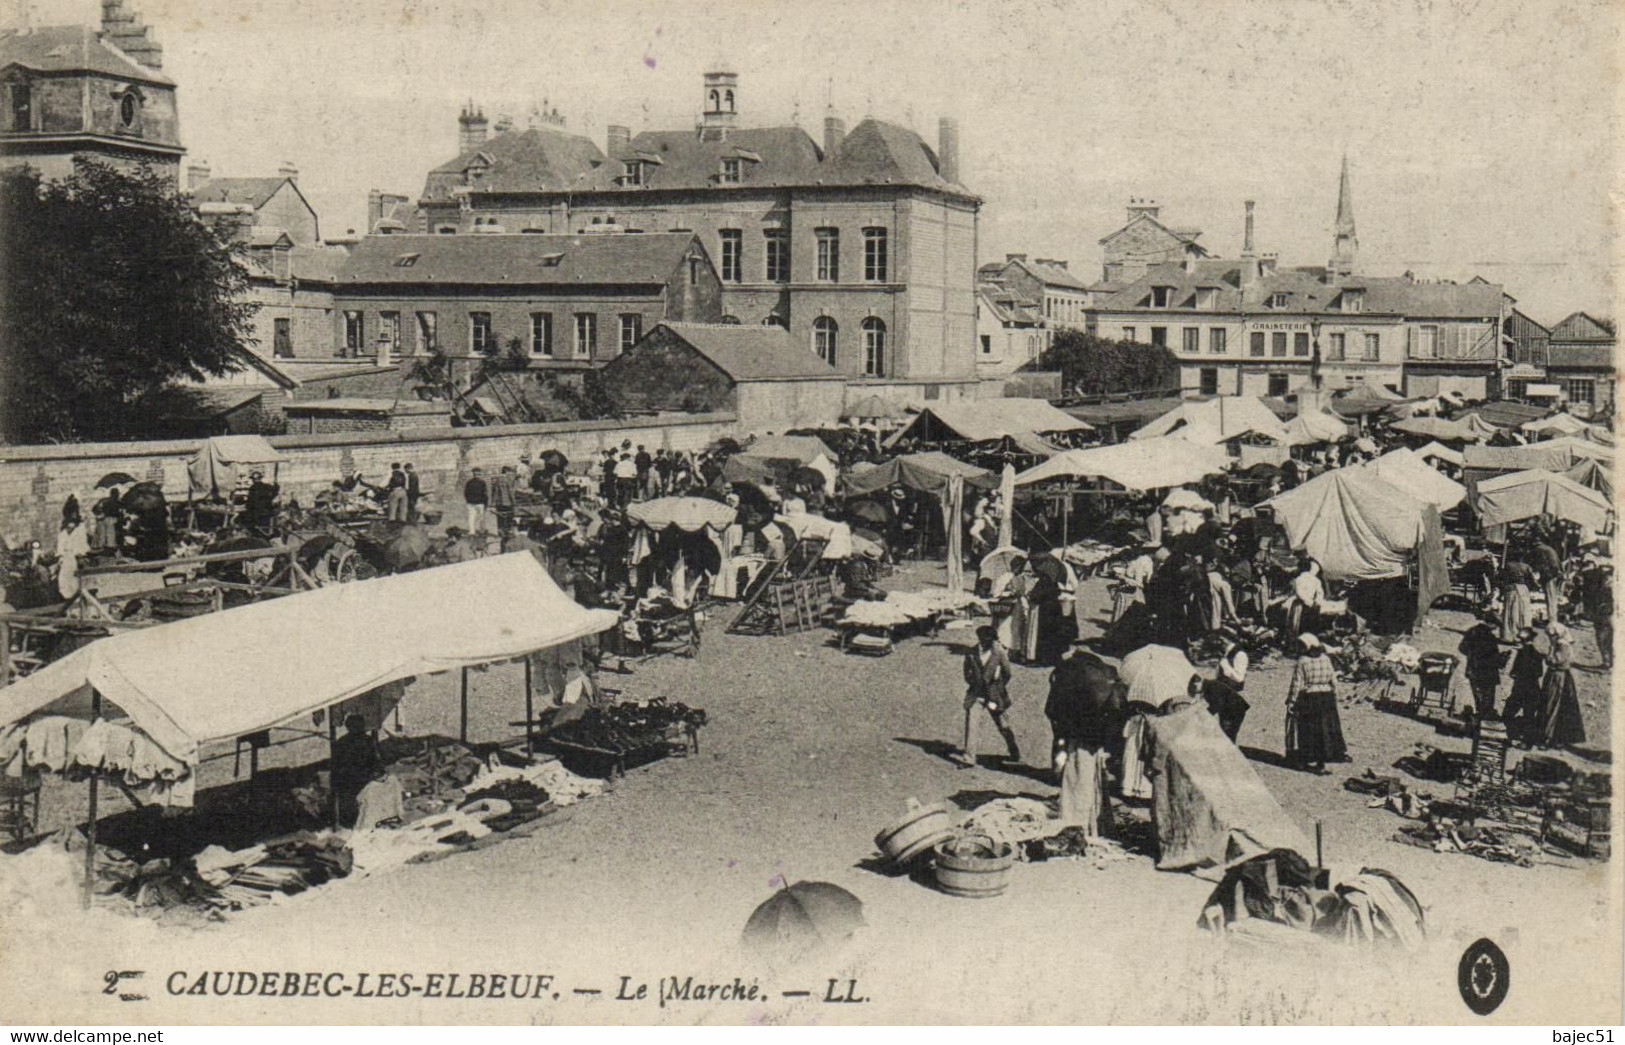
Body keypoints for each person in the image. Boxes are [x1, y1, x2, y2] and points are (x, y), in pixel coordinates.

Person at [1045, 642, 1126, 836]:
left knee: (1076, 778)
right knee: (1094, 778)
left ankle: (1075, 823)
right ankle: (1096, 822)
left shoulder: (1068, 671)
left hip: (1076, 734)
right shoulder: (1104, 671)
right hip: (1096, 734)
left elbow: (1053, 708)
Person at [955, 626, 1019, 768]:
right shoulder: (971, 653)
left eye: (990, 640)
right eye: (985, 640)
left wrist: (997, 687)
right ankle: (969, 758)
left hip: (994, 695)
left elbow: (1007, 673)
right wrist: (974, 683)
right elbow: (967, 673)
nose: (987, 642)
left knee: (1002, 724)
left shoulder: (999, 652)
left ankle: (1013, 749)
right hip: (976, 694)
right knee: (972, 725)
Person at [1284, 634, 1346, 773]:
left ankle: (1305, 759)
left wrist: (1292, 702)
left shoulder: (1303, 661)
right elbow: (1333, 680)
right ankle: (1321, 762)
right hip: (1326, 698)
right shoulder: (1326, 659)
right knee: (1325, 731)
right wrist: (1335, 697)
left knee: (1308, 731)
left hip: (1309, 698)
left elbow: (1296, 684)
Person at [330, 713, 382, 828]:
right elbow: (375, 761)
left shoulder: (342, 742)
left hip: (352, 781)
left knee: (356, 810)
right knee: (360, 809)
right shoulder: (366, 741)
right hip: (356, 780)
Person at [1538, 622, 1586, 748]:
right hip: (1557, 676)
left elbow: (1554, 660)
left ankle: (1549, 738)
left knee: (1553, 706)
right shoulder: (1561, 644)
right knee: (1553, 705)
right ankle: (1551, 736)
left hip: (1558, 677)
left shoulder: (1561, 645)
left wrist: (1549, 653)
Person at [1501, 626, 1547, 745]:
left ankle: (1509, 736)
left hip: (1520, 688)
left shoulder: (1521, 653)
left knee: (1508, 713)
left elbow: (1513, 672)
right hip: (1533, 689)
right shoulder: (1537, 655)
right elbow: (1539, 673)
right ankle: (1527, 742)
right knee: (1529, 716)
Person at [1458, 611, 1505, 720]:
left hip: (1473, 670)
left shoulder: (1472, 631)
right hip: (1487, 672)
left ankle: (1479, 717)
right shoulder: (1490, 638)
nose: (1497, 629)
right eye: (1497, 626)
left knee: (1478, 696)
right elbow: (1493, 658)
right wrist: (1502, 658)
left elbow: (1462, 648)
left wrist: (1472, 656)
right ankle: (1483, 721)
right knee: (1487, 699)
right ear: (1492, 624)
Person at [1200, 647, 1250, 742]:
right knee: (1224, 733)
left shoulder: (1210, 686)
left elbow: (1217, 704)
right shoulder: (1208, 684)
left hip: (1234, 708)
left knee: (1227, 735)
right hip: (1228, 703)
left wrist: (1206, 714)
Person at [1577, 553, 1614, 669]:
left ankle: (1607, 661)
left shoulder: (1586, 575)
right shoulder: (1602, 575)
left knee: (1602, 635)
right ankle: (1609, 660)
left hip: (1599, 608)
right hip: (1606, 607)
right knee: (1607, 634)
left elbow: (1585, 593)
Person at [1498, 555, 1537, 643]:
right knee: (1523, 613)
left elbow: (1501, 579)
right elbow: (1532, 581)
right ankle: (1523, 635)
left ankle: (1509, 635)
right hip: (1523, 590)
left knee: (1510, 612)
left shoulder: (1508, 565)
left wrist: (1501, 592)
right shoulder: (1526, 567)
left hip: (1510, 589)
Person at [54, 508, 91, 601]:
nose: (70, 529)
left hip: (76, 557)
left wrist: (81, 554)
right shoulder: (62, 535)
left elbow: (83, 545)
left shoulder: (79, 532)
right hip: (66, 558)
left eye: (72, 527)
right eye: (68, 527)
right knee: (64, 579)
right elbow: (60, 548)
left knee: (76, 579)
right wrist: (61, 557)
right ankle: (68, 598)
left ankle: (78, 598)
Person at [1529, 535, 1564, 622]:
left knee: (1550, 598)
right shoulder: (1549, 549)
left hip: (1550, 575)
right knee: (1553, 598)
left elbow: (1538, 564)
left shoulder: (1539, 550)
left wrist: (1540, 577)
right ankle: (1553, 618)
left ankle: (1552, 620)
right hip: (1556, 574)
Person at [492, 465, 518, 535]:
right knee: (509, 517)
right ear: (506, 471)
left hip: (499, 503)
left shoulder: (496, 480)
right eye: (509, 472)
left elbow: (494, 492)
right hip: (508, 502)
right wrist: (514, 502)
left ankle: (500, 531)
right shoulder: (508, 480)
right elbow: (510, 492)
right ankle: (508, 531)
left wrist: (493, 503)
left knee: (500, 518)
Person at [463, 467, 490, 534]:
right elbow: (485, 493)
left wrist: (468, 500)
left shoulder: (469, 482)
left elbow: (466, 493)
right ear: (479, 473)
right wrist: (486, 503)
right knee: (481, 517)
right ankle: (481, 531)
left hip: (471, 502)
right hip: (480, 502)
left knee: (471, 517)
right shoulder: (482, 482)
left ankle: (472, 531)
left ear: (473, 474)